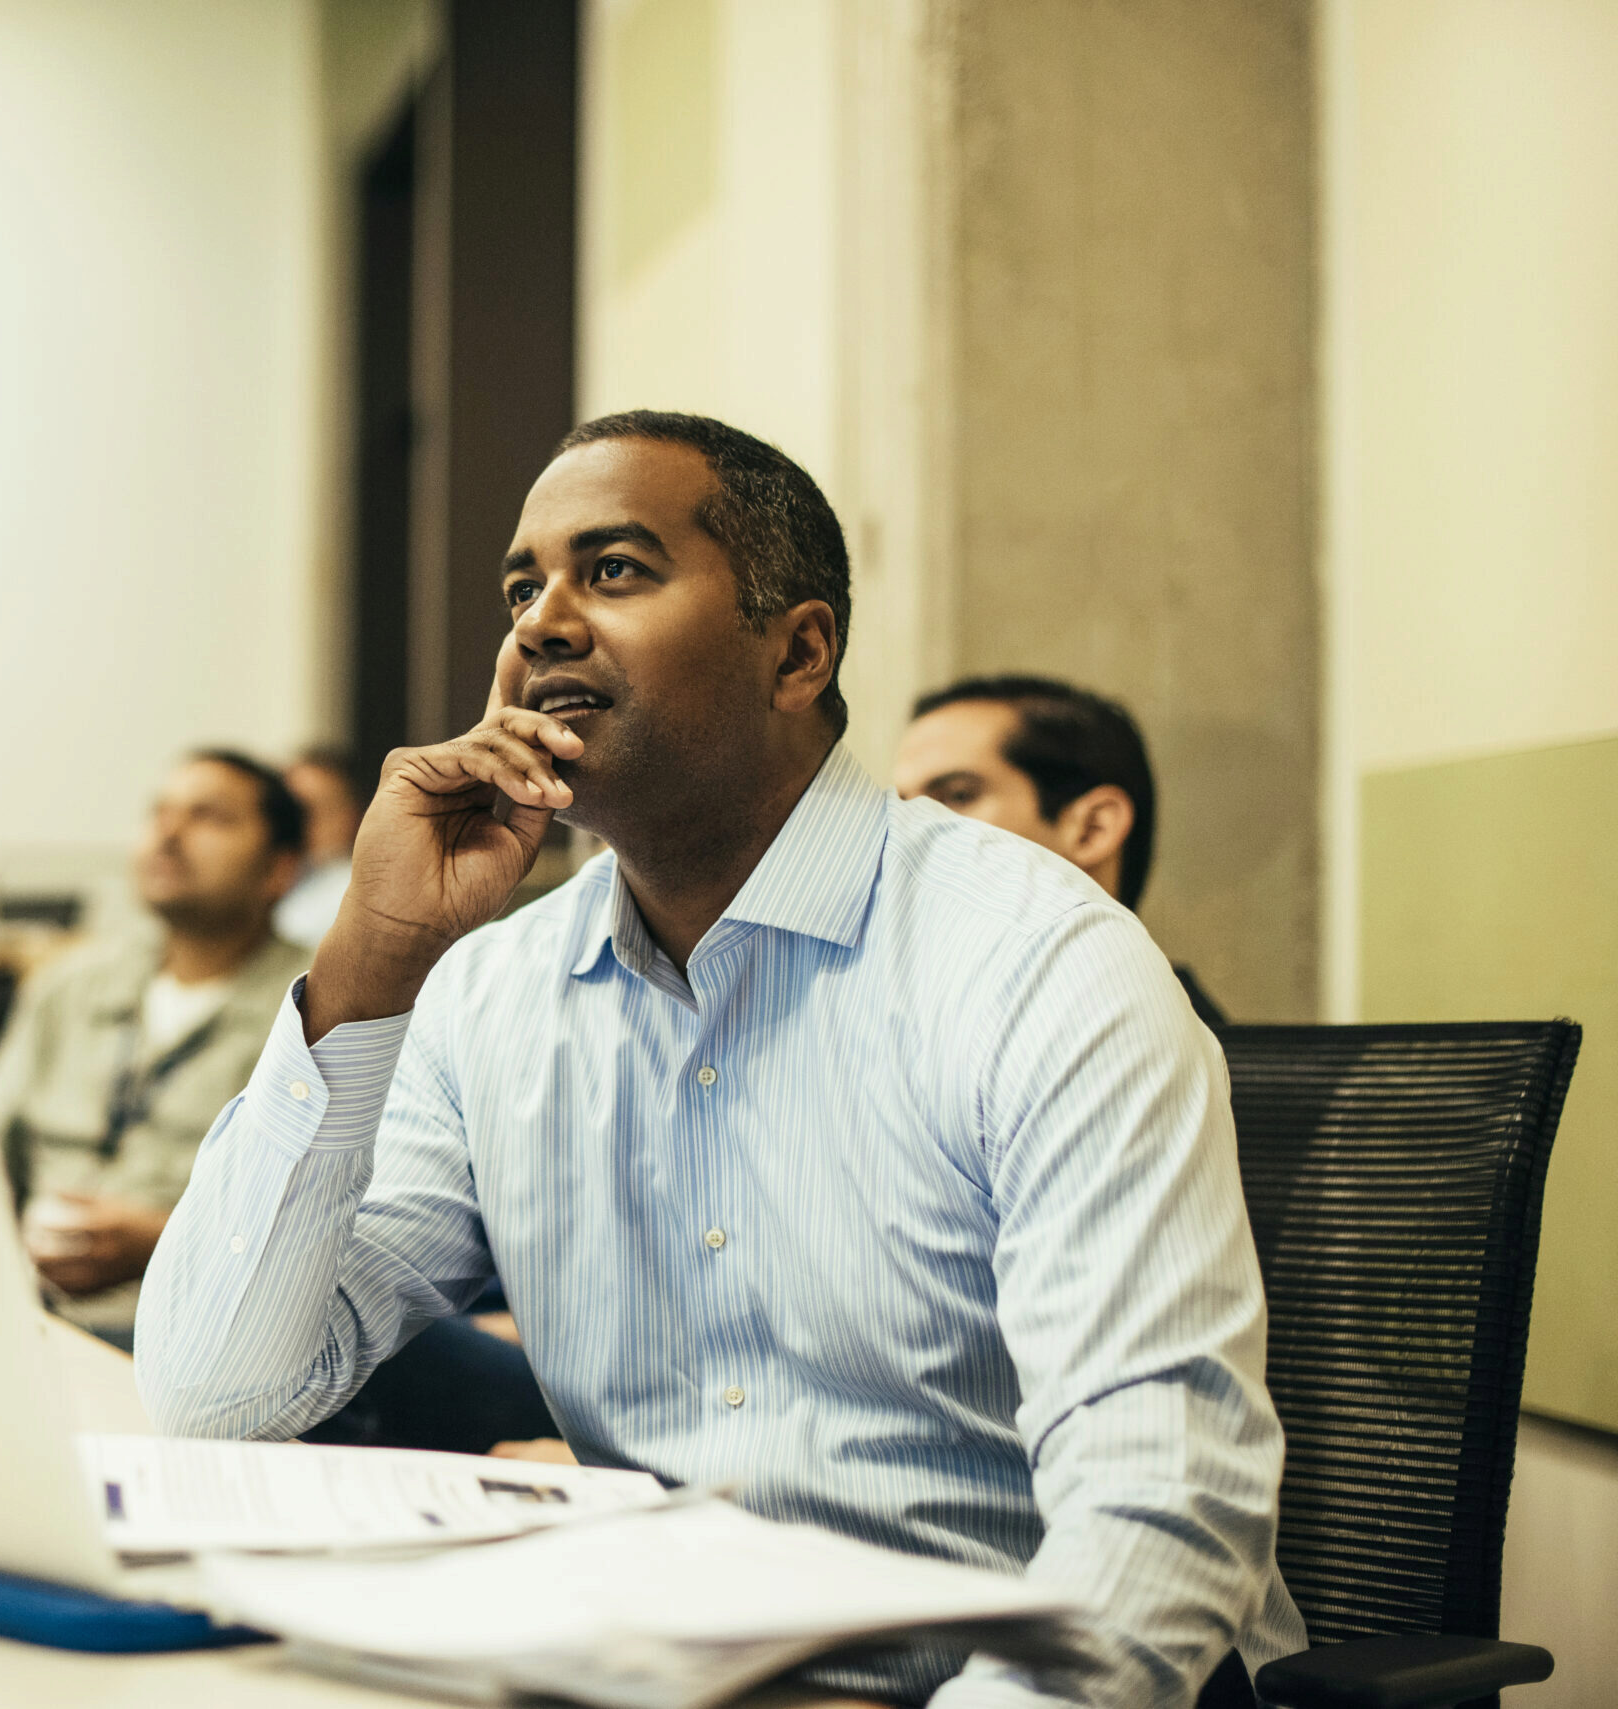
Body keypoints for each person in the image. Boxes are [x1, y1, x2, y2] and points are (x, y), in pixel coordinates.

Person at [136, 411, 1303, 1708]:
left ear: (798, 651)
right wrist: (370, 959)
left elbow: (1161, 1505)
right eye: (523, 587)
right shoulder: (493, 990)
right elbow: (216, 1397)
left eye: (615, 570)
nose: (541, 624)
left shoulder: (1036, 961)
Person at [0, 752, 313, 1345]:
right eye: (159, 813)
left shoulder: (316, 1009)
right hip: (20, 1313)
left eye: (208, 817)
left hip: (200, 1335)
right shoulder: (67, 986)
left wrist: (160, 1239)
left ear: (279, 870)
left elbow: (324, 1223)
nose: (168, 833)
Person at [894, 674, 1229, 1028]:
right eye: (901, 807)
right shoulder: (907, 1029)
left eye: (958, 795)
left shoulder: (1186, 1053)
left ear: (1093, 829)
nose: (902, 831)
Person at [273, 748, 364, 949]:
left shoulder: (354, 893)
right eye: (286, 812)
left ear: (350, 817)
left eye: (308, 811)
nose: (296, 825)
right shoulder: (273, 883)